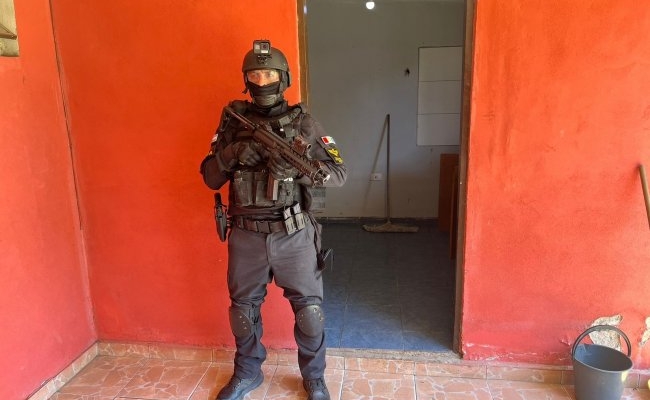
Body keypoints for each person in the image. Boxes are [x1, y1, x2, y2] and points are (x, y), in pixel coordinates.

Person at [200, 40, 347, 400]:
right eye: (255, 74)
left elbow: (338, 174)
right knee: (243, 313)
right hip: (246, 235)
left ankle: (314, 378)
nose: (261, 81)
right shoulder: (233, 122)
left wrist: (296, 171)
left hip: (293, 232)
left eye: (268, 74)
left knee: (310, 313)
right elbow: (210, 177)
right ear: (246, 80)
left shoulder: (304, 123)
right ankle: (247, 373)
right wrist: (233, 153)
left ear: (283, 78)